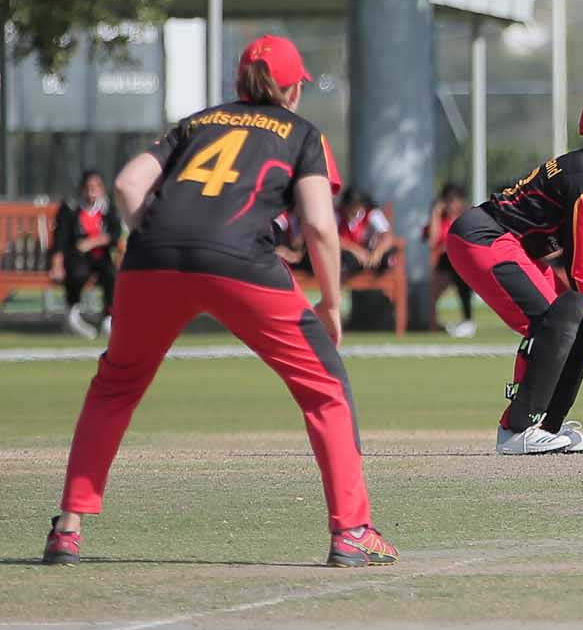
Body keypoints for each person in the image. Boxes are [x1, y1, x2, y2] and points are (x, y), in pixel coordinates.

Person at [41, 34, 397, 568]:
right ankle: (351, 531)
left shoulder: (197, 123)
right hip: (238, 258)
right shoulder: (302, 133)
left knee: (114, 385)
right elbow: (321, 225)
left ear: (239, 84)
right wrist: (328, 300)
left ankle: (67, 528)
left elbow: (126, 183)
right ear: (293, 90)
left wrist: (157, 232)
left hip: (150, 256)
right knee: (325, 388)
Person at [443, 86, 583, 455]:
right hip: (482, 237)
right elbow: (578, 267)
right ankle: (516, 431)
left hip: (514, 247)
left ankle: (548, 426)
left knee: (577, 318)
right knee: (555, 318)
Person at [49, 169, 121, 338]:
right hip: (77, 257)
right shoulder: (71, 208)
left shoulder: (108, 208)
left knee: (111, 275)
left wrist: (93, 242)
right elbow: (60, 239)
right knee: (78, 273)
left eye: (96, 187)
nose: (92, 191)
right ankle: (73, 315)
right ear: (82, 188)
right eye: (88, 187)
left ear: (102, 189)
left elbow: (115, 235)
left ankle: (108, 318)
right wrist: (57, 265)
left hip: (101, 257)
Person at [424, 182, 475, 337]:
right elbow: (432, 241)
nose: (451, 204)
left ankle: (467, 321)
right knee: (434, 290)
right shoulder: (440, 219)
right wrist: (435, 213)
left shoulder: (467, 217)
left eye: (454, 199)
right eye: (447, 200)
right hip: (444, 264)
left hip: (465, 263)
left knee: (461, 272)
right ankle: (433, 324)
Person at [336, 188, 395, 276]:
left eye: (356, 205)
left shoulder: (372, 213)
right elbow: (333, 239)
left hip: (370, 252)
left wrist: (378, 252)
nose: (352, 209)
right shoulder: (338, 214)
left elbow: (387, 236)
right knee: (345, 259)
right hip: (348, 254)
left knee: (386, 259)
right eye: (350, 205)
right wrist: (356, 250)